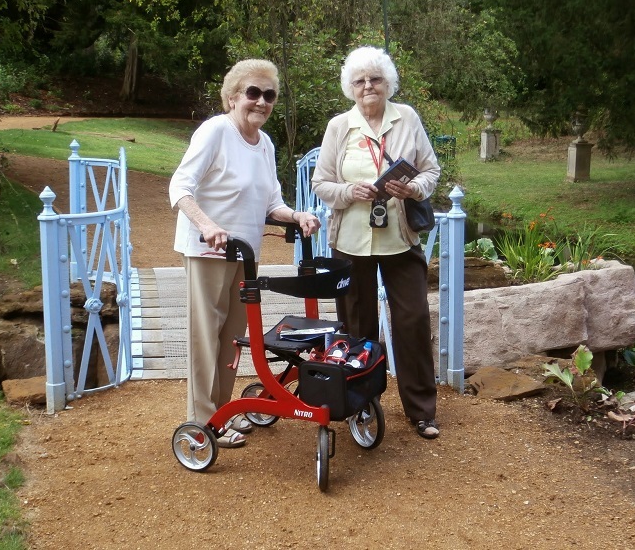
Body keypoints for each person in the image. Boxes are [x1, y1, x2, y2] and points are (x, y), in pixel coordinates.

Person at [169, 59, 320, 448]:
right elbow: (180, 186)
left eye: (269, 95)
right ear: (233, 97)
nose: (261, 102)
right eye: (253, 93)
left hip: (245, 254)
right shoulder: (215, 132)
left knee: (234, 339)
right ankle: (203, 422)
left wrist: (297, 215)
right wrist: (206, 225)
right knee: (207, 337)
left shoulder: (265, 143)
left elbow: (272, 203)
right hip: (208, 253)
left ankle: (222, 413)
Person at [311, 46, 441, 439]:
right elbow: (321, 184)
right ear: (350, 88)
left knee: (413, 320)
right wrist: (350, 191)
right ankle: (360, 406)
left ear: (388, 83)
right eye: (360, 81)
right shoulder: (339, 126)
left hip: (400, 239)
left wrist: (412, 188)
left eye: (376, 79)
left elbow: (431, 170)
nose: (368, 86)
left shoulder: (407, 118)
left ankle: (421, 411)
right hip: (351, 242)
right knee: (356, 327)